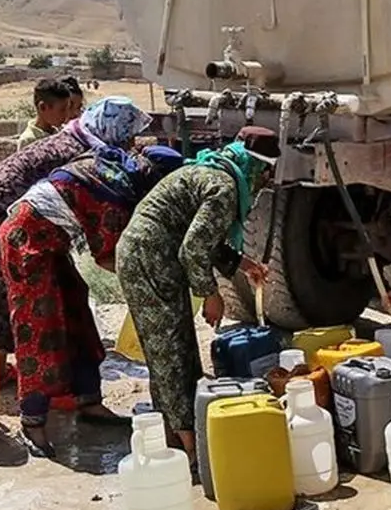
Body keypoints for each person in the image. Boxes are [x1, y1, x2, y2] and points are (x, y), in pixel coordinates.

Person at [0, 143, 184, 458]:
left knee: (76, 315)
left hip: (51, 243)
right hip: (24, 242)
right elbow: (111, 258)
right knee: (39, 330)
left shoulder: (117, 175)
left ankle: (89, 401)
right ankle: (32, 423)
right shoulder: (114, 197)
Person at [116, 127, 279, 462]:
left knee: (177, 348)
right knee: (171, 352)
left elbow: (205, 239)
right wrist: (211, 294)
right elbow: (193, 249)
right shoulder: (224, 188)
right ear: (257, 168)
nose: (263, 186)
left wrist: (244, 264)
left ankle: (177, 435)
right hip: (150, 259)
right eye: (266, 177)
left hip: (151, 257)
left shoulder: (211, 171)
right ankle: (191, 450)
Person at [0, 96, 153, 386]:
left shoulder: (76, 136)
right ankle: (39, 384)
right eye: (128, 134)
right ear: (113, 128)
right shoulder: (84, 152)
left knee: (5, 286)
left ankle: (2, 367)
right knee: (33, 295)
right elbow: (94, 227)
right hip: (7, 210)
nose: (130, 142)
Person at [16, 78, 72, 151]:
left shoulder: (60, 132)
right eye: (62, 110)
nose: (67, 114)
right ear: (42, 107)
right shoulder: (28, 141)